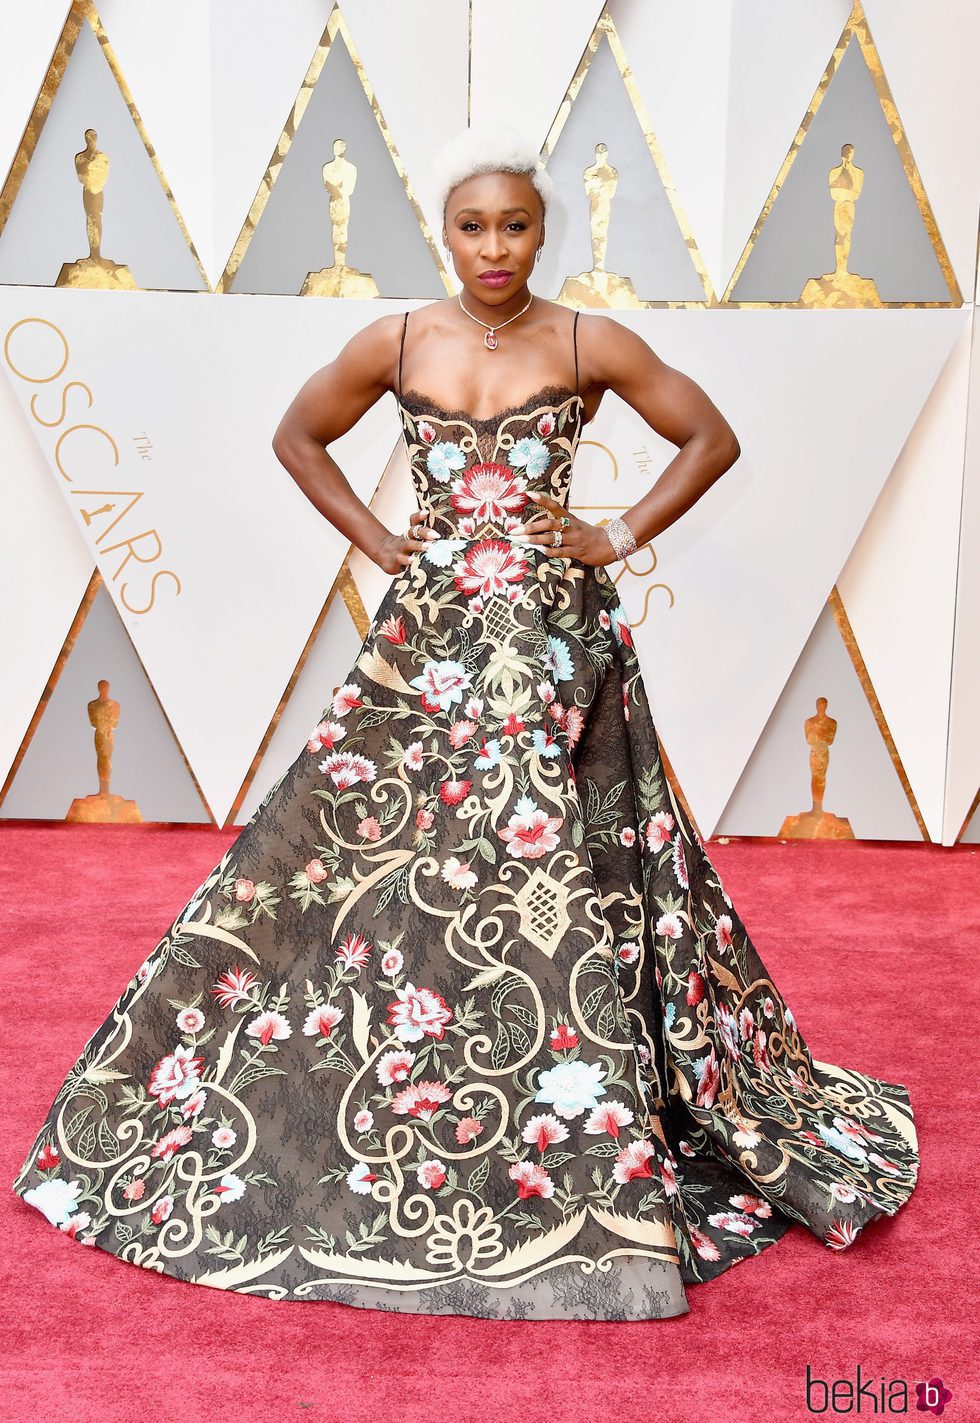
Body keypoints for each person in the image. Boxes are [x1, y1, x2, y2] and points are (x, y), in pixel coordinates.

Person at [12, 124, 918, 1321]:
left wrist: (614, 532)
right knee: (372, 854)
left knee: (547, 852)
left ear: (545, 230)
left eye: (516, 225)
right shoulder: (395, 338)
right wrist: (379, 539)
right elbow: (296, 435)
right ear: (446, 232)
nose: (494, 247)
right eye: (473, 226)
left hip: (552, 636)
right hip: (429, 637)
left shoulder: (589, 339)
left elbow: (711, 436)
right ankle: (428, 1077)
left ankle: (565, 1115)